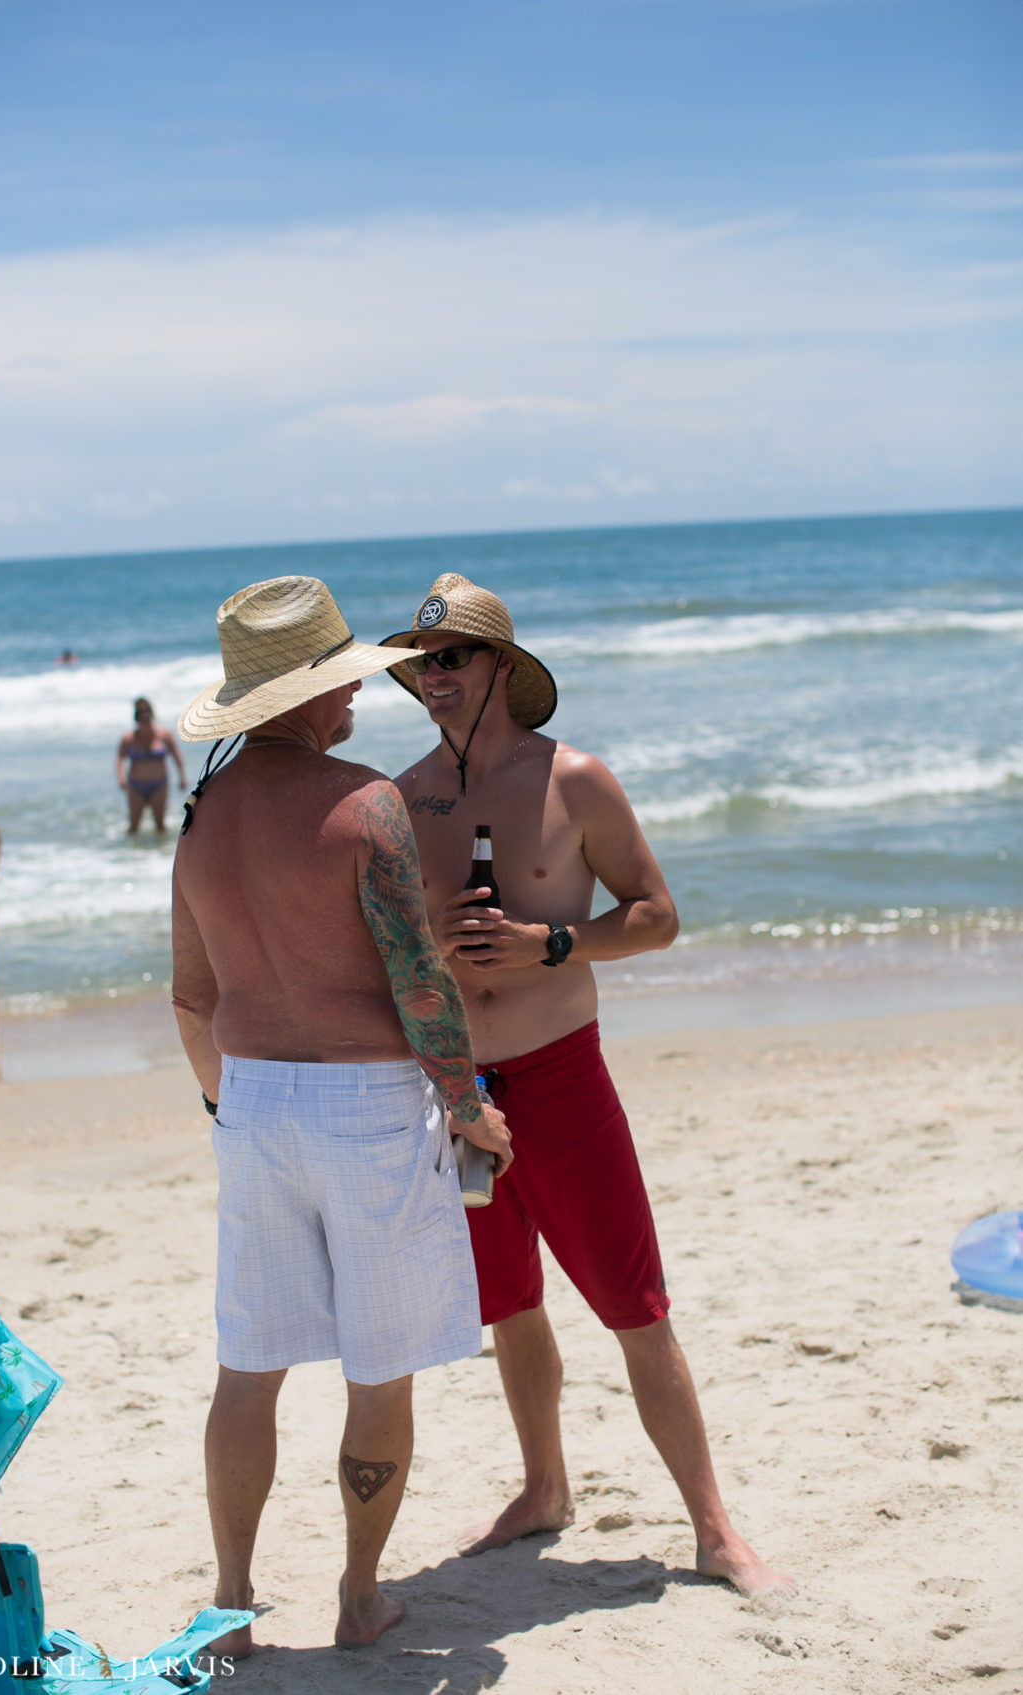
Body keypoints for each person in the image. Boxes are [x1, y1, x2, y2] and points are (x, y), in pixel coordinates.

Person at [382, 572, 795, 1596]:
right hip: (458, 1089)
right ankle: (543, 1488)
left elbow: (655, 914)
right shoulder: (403, 798)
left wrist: (548, 943)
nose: (431, 676)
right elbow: (384, 953)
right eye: (420, 661)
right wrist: (427, 949)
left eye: (451, 658)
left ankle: (712, 1530)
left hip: (560, 1079)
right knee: (510, 1304)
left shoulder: (574, 781)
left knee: (632, 1303)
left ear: (501, 669)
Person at [171, 576, 511, 1654]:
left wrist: (226, 1109)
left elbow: (190, 996)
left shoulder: (199, 818)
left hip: (253, 1098)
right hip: (366, 1106)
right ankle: (360, 1598)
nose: (356, 701)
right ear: (300, 697)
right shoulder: (366, 803)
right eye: (340, 684)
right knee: (378, 1363)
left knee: (248, 1362)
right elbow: (419, 983)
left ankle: (230, 1603)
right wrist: (468, 1110)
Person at [115, 697, 187, 834]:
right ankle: (130, 853)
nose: (146, 722)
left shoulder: (164, 735)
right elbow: (119, 758)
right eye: (142, 719)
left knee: (160, 826)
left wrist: (182, 777)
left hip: (159, 785)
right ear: (137, 719)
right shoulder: (129, 738)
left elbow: (177, 756)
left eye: (148, 718)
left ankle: (161, 853)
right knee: (134, 827)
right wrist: (121, 777)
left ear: (152, 716)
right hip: (136, 786)